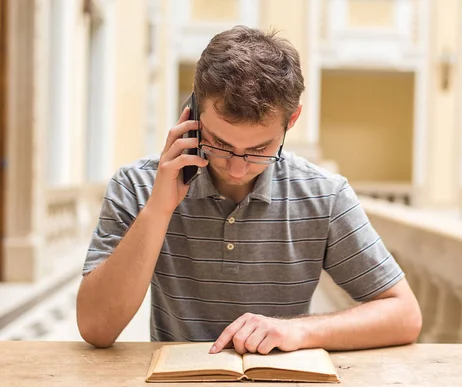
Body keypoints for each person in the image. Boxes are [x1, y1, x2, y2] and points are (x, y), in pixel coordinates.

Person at [76, 25, 422, 354]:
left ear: (292, 120)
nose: (238, 168)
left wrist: (299, 330)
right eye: (220, 143)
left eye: (259, 150)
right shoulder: (136, 185)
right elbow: (96, 328)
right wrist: (158, 209)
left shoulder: (325, 195)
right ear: (192, 112)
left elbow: (404, 314)